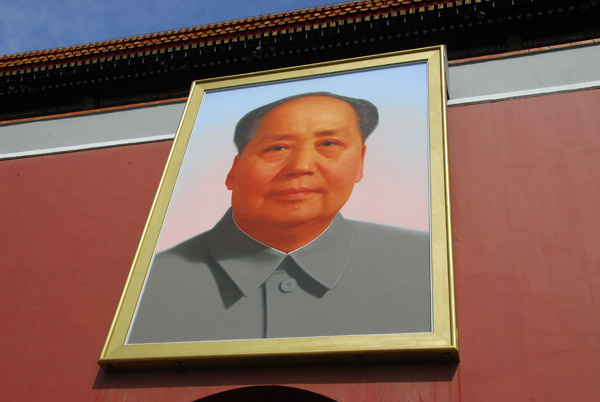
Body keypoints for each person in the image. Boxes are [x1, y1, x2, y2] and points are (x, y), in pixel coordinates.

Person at [127, 92, 431, 344]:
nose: (300, 166)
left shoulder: (425, 263)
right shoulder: (149, 286)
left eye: (328, 144)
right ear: (234, 169)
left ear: (360, 161)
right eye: (277, 147)